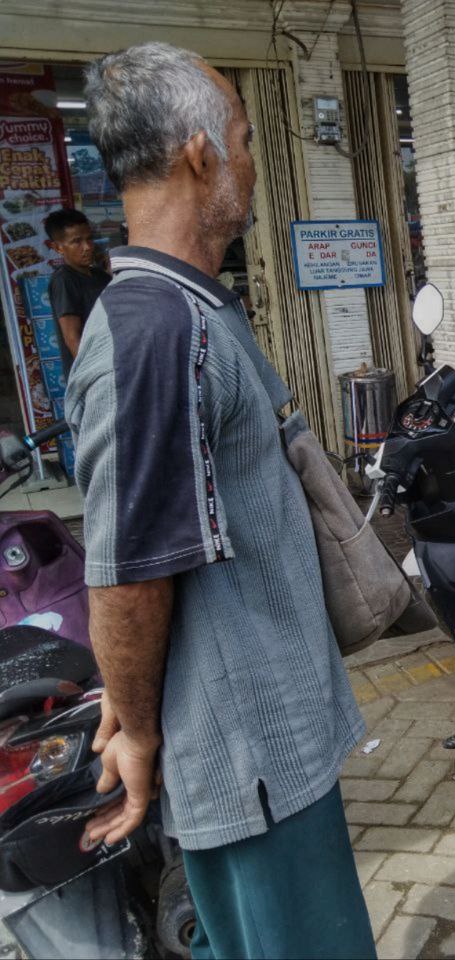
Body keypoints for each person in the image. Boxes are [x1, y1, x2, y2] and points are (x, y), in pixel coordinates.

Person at [67, 43, 374, 958]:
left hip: (275, 749)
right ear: (200, 154)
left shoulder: (192, 309)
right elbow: (124, 575)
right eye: (242, 139)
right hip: (247, 765)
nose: (249, 162)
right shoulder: (154, 333)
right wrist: (142, 734)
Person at [44, 207, 111, 369]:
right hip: (93, 373)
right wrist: (92, 377)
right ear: (58, 248)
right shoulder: (64, 280)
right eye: (76, 241)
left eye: (89, 239)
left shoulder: (101, 276)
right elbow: (72, 338)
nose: (87, 247)